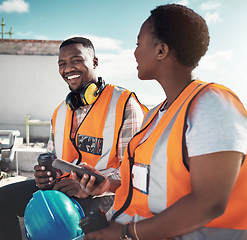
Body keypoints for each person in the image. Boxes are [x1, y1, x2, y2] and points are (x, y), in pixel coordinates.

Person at [73, 4, 247, 240]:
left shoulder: (211, 104)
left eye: (138, 43)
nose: (134, 53)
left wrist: (126, 233)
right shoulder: (156, 114)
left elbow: (209, 203)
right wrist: (108, 185)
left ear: (161, 50)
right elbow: (151, 183)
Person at [0, 36, 147, 240]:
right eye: (62, 64)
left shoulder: (124, 104)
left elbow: (135, 173)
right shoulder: (60, 111)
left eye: (76, 60)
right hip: (63, 189)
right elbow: (54, 156)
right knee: (0, 200)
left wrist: (92, 188)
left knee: (59, 223)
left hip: (104, 196)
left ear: (95, 62)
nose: (68, 68)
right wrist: (46, 176)